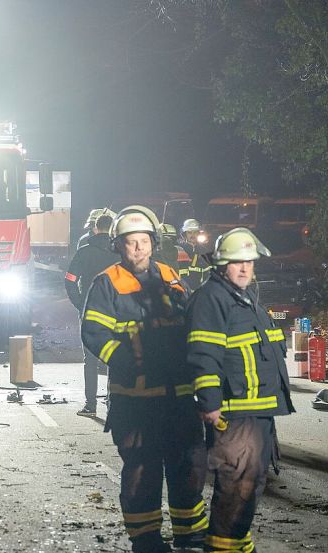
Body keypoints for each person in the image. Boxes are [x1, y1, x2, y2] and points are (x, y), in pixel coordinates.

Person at [81, 205, 207, 553]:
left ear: (153, 243)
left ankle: (190, 536)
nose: (138, 249)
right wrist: (129, 362)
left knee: (189, 468)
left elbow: (190, 327)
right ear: (118, 246)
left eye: (143, 241)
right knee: (142, 474)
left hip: (179, 398)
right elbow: (93, 334)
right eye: (130, 243)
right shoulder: (107, 283)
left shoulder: (171, 277)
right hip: (134, 402)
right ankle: (147, 541)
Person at [185, 227, 293, 553]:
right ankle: (222, 548)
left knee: (249, 487)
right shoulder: (212, 299)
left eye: (249, 261)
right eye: (236, 262)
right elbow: (203, 354)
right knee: (236, 489)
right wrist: (211, 403)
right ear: (221, 265)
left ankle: (236, 546)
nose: (244, 268)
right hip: (234, 415)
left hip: (256, 412)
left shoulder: (243, 298)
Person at [64, 213, 119, 416]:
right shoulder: (121, 252)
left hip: (91, 312)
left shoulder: (84, 252)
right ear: (112, 229)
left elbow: (70, 280)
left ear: (95, 229)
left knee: (91, 360)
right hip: (116, 312)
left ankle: (90, 405)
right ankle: (112, 403)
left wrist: (80, 304)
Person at [177, 219, 210, 291]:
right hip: (181, 290)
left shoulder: (204, 251)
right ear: (184, 234)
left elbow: (208, 273)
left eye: (195, 232)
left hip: (199, 290)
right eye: (189, 232)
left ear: (198, 233)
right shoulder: (179, 250)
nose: (192, 235)